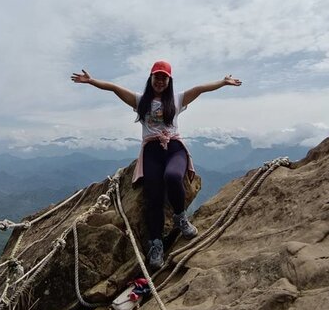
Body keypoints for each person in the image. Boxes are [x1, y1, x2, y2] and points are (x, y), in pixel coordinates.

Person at [71, 60, 242, 270]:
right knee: (153, 195)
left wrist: (223, 82)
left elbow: (200, 89)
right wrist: (91, 81)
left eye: (164, 77)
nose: (160, 81)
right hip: (151, 151)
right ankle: (156, 243)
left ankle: (180, 218)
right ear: (150, 78)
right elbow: (114, 88)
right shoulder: (141, 101)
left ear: (169, 81)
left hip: (174, 148)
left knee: (172, 177)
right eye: (157, 77)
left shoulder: (177, 100)